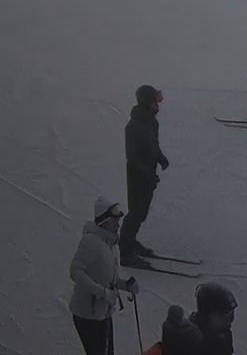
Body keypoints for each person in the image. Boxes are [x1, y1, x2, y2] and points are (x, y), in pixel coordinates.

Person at [70, 197, 137, 355]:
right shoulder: (91, 242)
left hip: (103, 312)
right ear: (104, 221)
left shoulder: (110, 245)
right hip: (87, 315)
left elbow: (108, 279)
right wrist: (103, 293)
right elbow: (75, 272)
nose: (118, 224)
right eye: (115, 221)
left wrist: (125, 285)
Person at [121, 86, 169, 265]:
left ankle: (131, 241)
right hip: (137, 173)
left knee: (142, 213)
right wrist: (147, 172)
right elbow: (132, 156)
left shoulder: (151, 122)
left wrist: (161, 158)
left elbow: (153, 145)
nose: (157, 105)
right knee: (135, 212)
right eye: (155, 102)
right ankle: (125, 251)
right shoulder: (134, 126)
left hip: (149, 171)